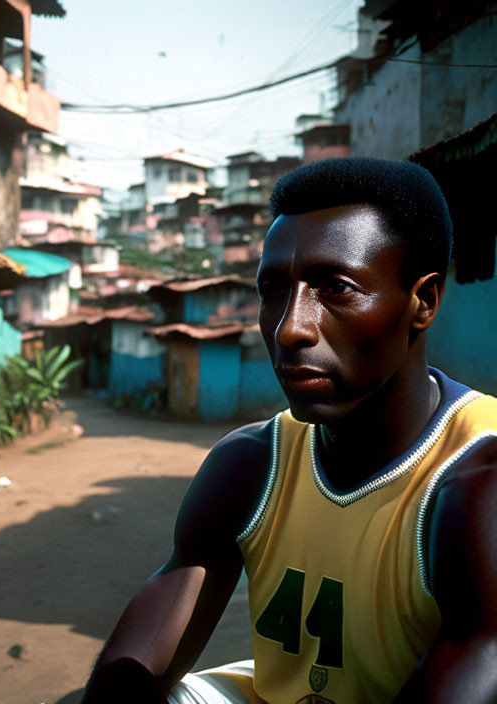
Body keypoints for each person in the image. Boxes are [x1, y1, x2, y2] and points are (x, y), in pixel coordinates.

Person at [81, 157, 497, 704]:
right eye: (274, 289)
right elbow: (133, 670)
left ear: (423, 301)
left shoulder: (476, 482)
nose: (289, 327)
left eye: (337, 288)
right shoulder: (253, 464)